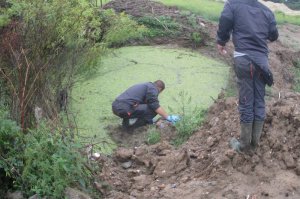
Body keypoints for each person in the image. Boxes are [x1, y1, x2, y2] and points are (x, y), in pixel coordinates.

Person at [216, 0, 278, 153]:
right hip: (262, 62)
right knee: (259, 101)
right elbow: (274, 35)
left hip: (244, 59)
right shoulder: (267, 11)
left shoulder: (233, 5)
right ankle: (254, 144)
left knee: (246, 101)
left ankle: (244, 146)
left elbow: (225, 21)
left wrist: (221, 41)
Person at [112, 80, 180, 129]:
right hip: (124, 109)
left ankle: (126, 124)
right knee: (152, 110)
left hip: (116, 107)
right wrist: (167, 117)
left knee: (141, 108)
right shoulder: (153, 88)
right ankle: (132, 128)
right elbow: (154, 105)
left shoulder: (145, 86)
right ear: (160, 89)